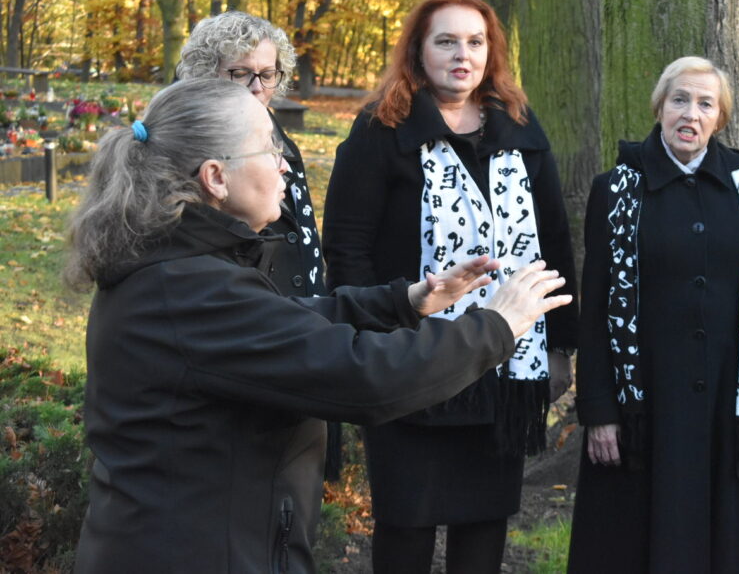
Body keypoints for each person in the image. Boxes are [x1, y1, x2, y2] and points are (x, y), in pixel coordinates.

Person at [67, 79, 572, 573]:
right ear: (216, 177)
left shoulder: (186, 268)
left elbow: (289, 325)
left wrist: (405, 301)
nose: (284, 164)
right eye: (269, 148)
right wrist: (496, 325)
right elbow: (366, 376)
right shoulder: (189, 290)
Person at [321, 0, 578, 573]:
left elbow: (553, 238)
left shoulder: (518, 125)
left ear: (491, 52)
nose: (463, 55)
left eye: (475, 42)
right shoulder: (381, 128)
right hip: (409, 357)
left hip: (504, 362)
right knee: (406, 520)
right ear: (418, 50)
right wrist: (372, 334)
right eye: (446, 42)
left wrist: (560, 344)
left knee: (484, 521)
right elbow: (348, 244)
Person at [566, 56, 739, 573]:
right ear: (660, 107)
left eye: (705, 104)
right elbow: (596, 306)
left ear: (720, 118)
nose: (691, 113)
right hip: (641, 409)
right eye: (680, 100)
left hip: (724, 407)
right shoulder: (616, 190)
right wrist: (599, 410)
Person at [176, 11, 349, 479]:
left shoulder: (276, 134)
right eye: (240, 73)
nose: (257, 87)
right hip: (248, 335)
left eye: (267, 74)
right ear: (206, 72)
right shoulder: (194, 140)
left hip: (300, 321)